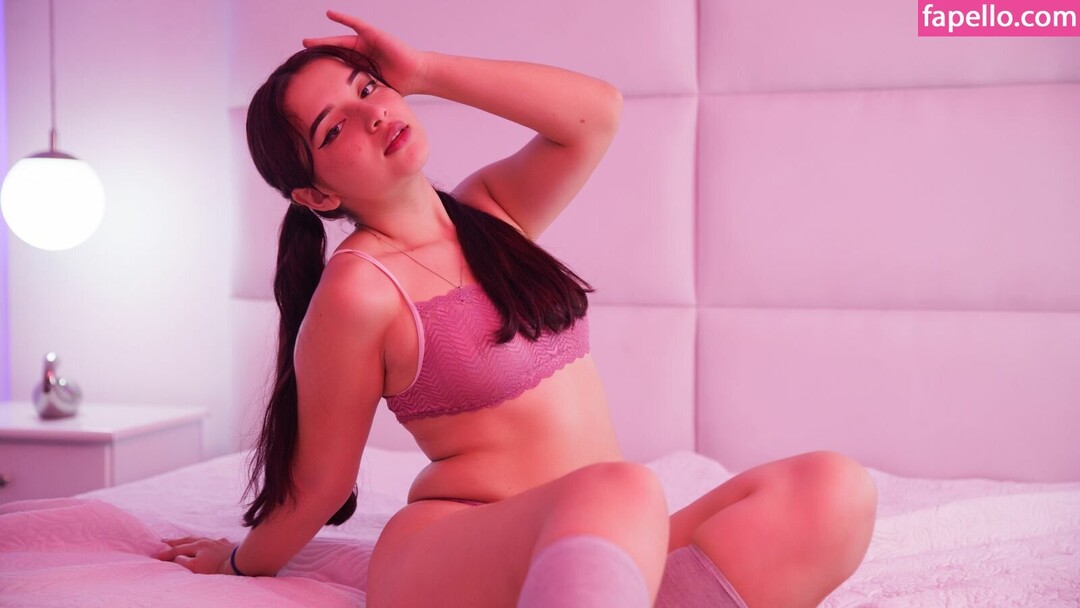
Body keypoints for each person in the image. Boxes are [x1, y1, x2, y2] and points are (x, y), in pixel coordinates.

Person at [155, 10, 877, 607]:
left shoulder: (490, 213)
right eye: (333, 128)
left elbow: (596, 114)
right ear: (317, 195)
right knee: (624, 489)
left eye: (367, 87)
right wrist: (239, 562)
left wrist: (425, 69)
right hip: (454, 549)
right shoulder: (359, 290)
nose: (371, 115)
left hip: (605, 529)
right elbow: (320, 485)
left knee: (832, 490)